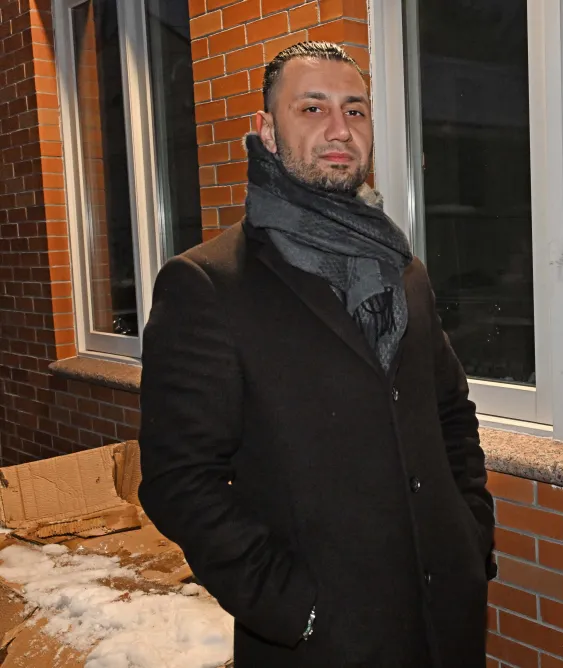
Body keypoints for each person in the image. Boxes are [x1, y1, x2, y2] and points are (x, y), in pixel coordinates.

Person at [138, 41, 495, 667]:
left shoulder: (403, 270)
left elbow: (448, 414)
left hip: (445, 623)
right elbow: (179, 481)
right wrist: (290, 607)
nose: (339, 128)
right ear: (266, 132)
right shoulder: (208, 285)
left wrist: (472, 534)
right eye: (312, 108)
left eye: (355, 111)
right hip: (318, 641)